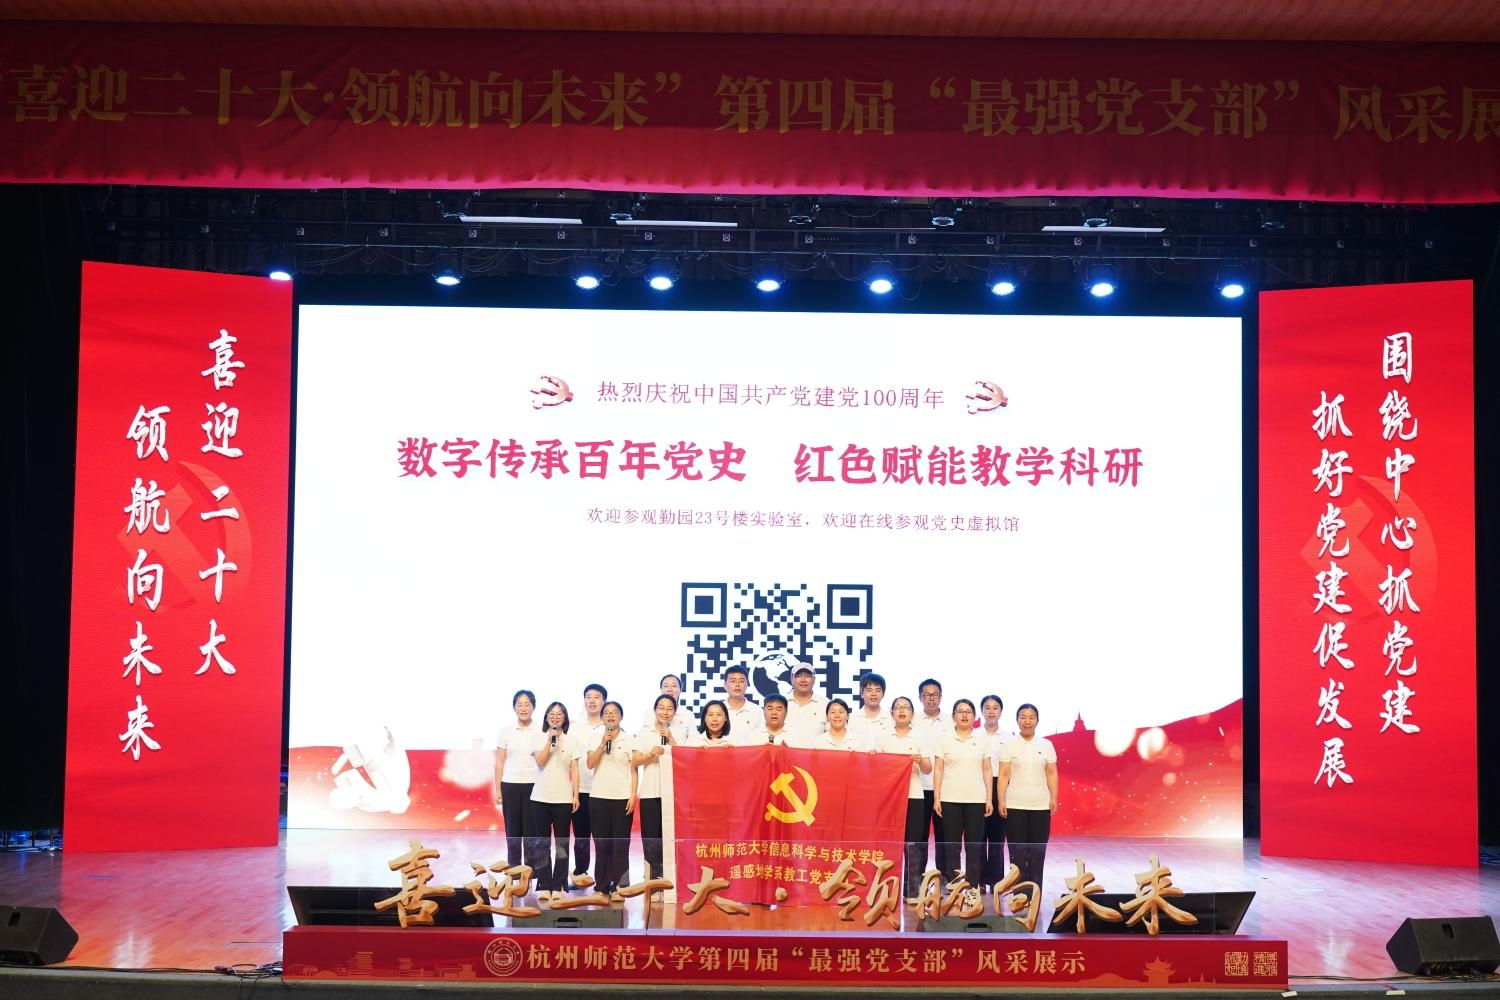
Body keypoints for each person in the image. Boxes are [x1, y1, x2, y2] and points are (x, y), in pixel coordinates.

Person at [997, 703, 1058, 902]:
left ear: (1037, 721)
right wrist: (1001, 800)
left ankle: (1035, 893)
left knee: (1038, 852)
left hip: (1040, 806)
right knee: (1017, 852)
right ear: (1017, 720)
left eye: (1031, 717)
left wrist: (1053, 797)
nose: (1027, 721)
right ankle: (1019, 894)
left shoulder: (1046, 745)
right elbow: (1003, 774)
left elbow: (1051, 773)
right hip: (1015, 805)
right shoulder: (1010, 745)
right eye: (1023, 717)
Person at [932, 698, 991, 903]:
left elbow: (987, 769)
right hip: (950, 799)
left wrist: (989, 798)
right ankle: (955, 887)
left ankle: (973, 887)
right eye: (960, 711)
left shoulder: (982, 739)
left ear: (974, 716)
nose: (964, 715)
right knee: (952, 846)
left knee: (974, 846)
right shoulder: (944, 739)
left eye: (968, 711)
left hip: (976, 799)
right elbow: (938, 769)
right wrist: (937, 797)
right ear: (953, 716)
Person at [877, 696, 932, 902]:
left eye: (906, 708)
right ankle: (885, 890)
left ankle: (912, 891)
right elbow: (875, 768)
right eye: (898, 707)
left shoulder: (920, 737)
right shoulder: (883, 737)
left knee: (913, 844)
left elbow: (928, 769)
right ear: (891, 712)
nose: (902, 711)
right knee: (889, 844)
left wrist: (920, 760)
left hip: (914, 795)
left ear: (912, 714)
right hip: (890, 798)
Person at [528, 701, 582, 901]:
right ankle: (544, 884)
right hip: (540, 798)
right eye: (552, 713)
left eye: (559, 714)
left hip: (563, 799)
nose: (555, 717)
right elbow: (541, 761)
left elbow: (575, 769)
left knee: (562, 844)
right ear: (546, 717)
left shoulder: (572, 740)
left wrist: (575, 795)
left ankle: (558, 884)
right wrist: (550, 741)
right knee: (542, 843)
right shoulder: (538, 736)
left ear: (564, 718)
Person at [632, 693, 687, 882]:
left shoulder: (681, 732)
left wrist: (670, 739)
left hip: (672, 793)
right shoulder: (643, 733)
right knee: (651, 837)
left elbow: (685, 759)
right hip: (649, 791)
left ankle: (669, 877)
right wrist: (650, 755)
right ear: (654, 710)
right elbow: (635, 761)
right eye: (661, 708)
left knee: (670, 836)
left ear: (675, 712)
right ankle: (652, 878)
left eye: (669, 708)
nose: (665, 712)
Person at [585, 700, 636, 900]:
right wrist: (602, 743)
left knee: (620, 845)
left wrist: (633, 795)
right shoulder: (595, 736)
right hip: (598, 797)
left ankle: (619, 886)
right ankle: (602, 886)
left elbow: (634, 770)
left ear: (621, 716)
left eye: (615, 712)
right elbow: (590, 763)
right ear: (602, 717)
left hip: (622, 798)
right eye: (607, 712)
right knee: (601, 844)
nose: (611, 715)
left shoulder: (629, 739)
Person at [494, 689, 543, 868]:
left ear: (533, 707)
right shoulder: (506, 731)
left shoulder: (541, 730)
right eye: (519, 705)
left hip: (533, 785)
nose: (523, 708)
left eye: (527, 704)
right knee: (513, 831)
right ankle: (514, 870)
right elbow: (500, 762)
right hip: (510, 785)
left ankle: (531, 871)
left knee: (532, 831)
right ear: (514, 708)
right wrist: (498, 790)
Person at [571, 682, 607, 888]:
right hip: (581, 789)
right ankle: (580, 873)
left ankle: (604, 878)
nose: (592, 701)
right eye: (588, 697)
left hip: (603, 791)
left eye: (597, 697)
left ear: (604, 701)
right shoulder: (575, 728)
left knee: (602, 838)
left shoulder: (611, 726)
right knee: (581, 836)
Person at [912, 678, 946, 879]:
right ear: (920, 697)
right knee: (919, 836)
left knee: (944, 836)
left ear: (941, 697)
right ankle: (917, 877)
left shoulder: (951, 721)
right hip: (919, 787)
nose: (931, 698)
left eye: (935, 694)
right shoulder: (912, 720)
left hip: (945, 787)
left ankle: (945, 878)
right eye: (927, 695)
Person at [978, 694, 1010, 889]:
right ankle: (981, 879)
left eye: (995, 707)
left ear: (1001, 711)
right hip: (979, 785)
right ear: (982, 711)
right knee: (979, 836)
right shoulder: (974, 735)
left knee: (998, 836)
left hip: (1001, 786)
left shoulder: (1008, 737)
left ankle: (997, 880)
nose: (991, 711)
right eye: (987, 707)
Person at [783, 662, 826, 745]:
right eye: (798, 676)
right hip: (786, 753)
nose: (803, 680)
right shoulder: (781, 703)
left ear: (814, 679)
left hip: (816, 753)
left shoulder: (825, 704)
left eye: (807, 676)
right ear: (791, 679)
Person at [848, 672, 892, 748]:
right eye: (869, 690)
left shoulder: (890, 719)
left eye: (878, 690)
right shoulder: (852, 718)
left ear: (883, 694)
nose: (873, 694)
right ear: (862, 693)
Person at [721, 665, 761, 740]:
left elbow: (764, 737)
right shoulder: (718, 709)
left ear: (746, 685)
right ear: (725, 685)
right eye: (733, 681)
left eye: (741, 681)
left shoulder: (757, 711)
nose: (737, 685)